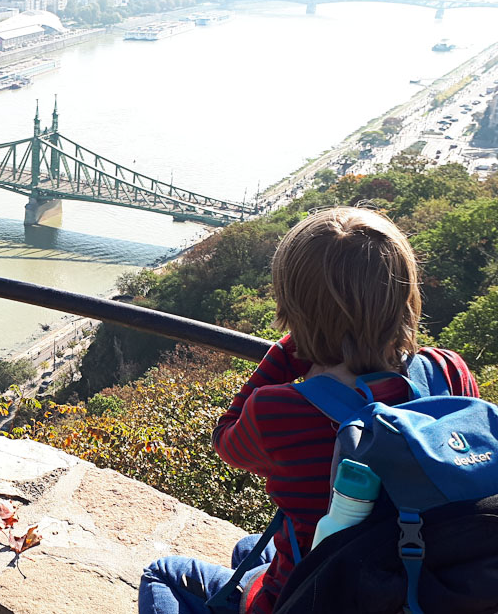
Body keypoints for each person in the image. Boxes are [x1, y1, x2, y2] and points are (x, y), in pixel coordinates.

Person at [138, 207, 480, 614]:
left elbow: (226, 438)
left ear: (294, 307)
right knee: (248, 548)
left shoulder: (279, 409)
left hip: (317, 595)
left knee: (162, 574)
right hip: (429, 579)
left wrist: (291, 348)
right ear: (404, 296)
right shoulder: (447, 370)